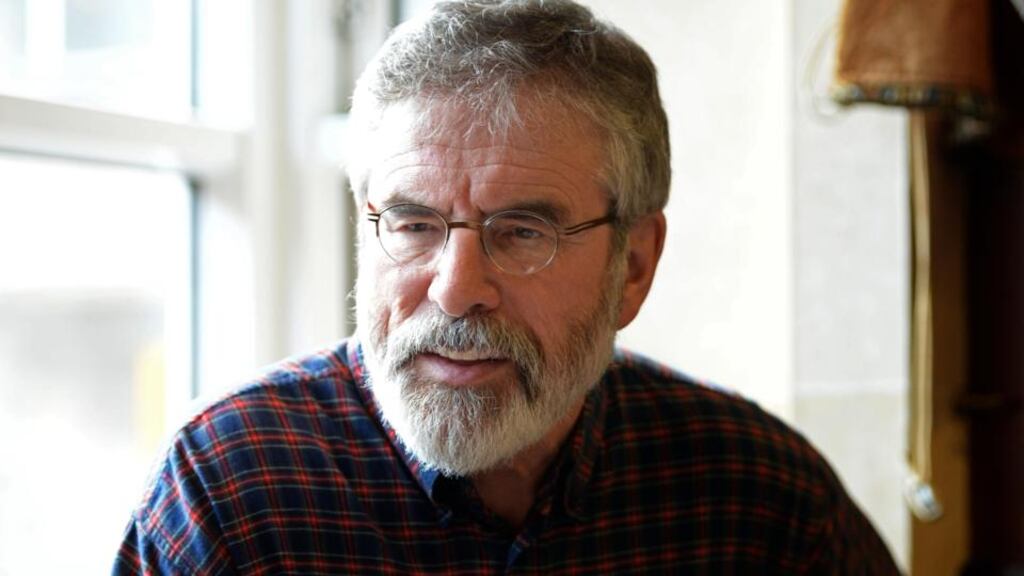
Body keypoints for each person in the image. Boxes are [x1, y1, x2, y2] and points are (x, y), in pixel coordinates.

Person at [114, 0, 899, 573]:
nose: (456, 291)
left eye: (523, 232)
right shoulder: (228, 490)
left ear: (634, 265)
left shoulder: (761, 504)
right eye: (415, 224)